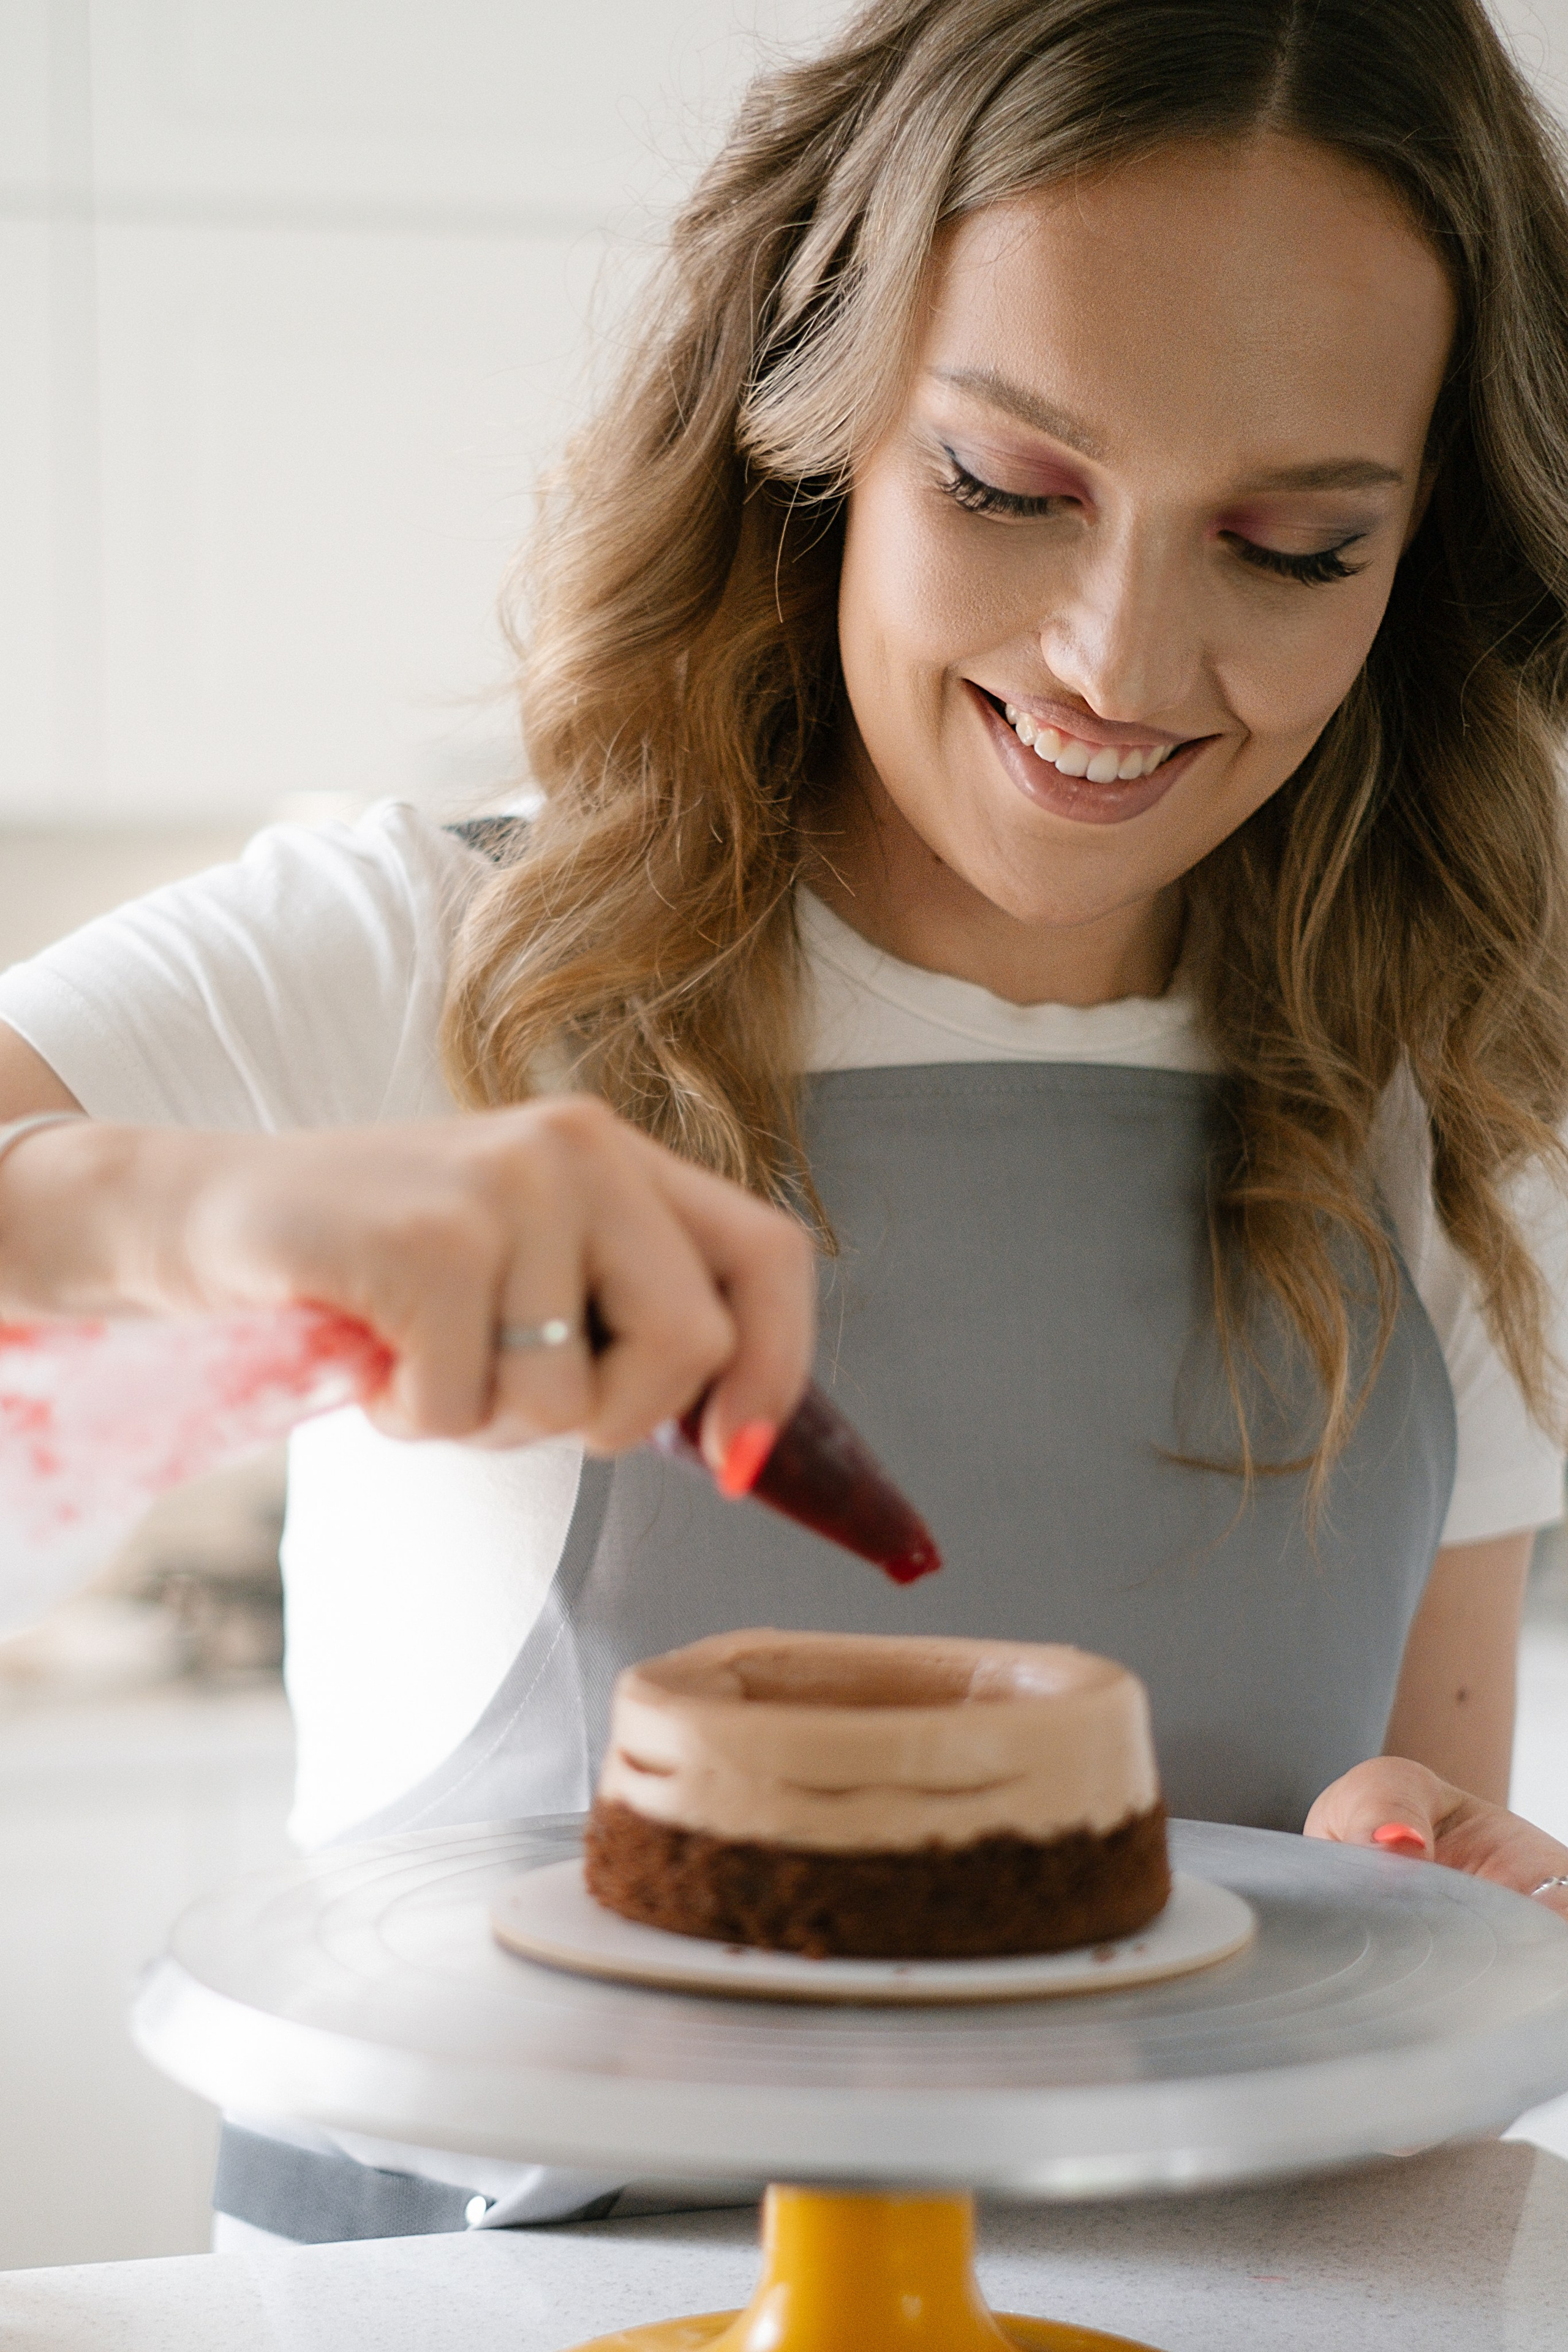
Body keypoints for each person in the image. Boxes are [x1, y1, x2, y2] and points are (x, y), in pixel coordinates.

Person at [3, 0, 1568, 2244]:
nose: (1124, 660)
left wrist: (1463, 1942)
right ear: (814, 414)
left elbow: (1409, 1903)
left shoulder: (1471, 1090)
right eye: (1011, 489)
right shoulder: (432, 948)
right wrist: (220, 1211)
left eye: (1296, 545)